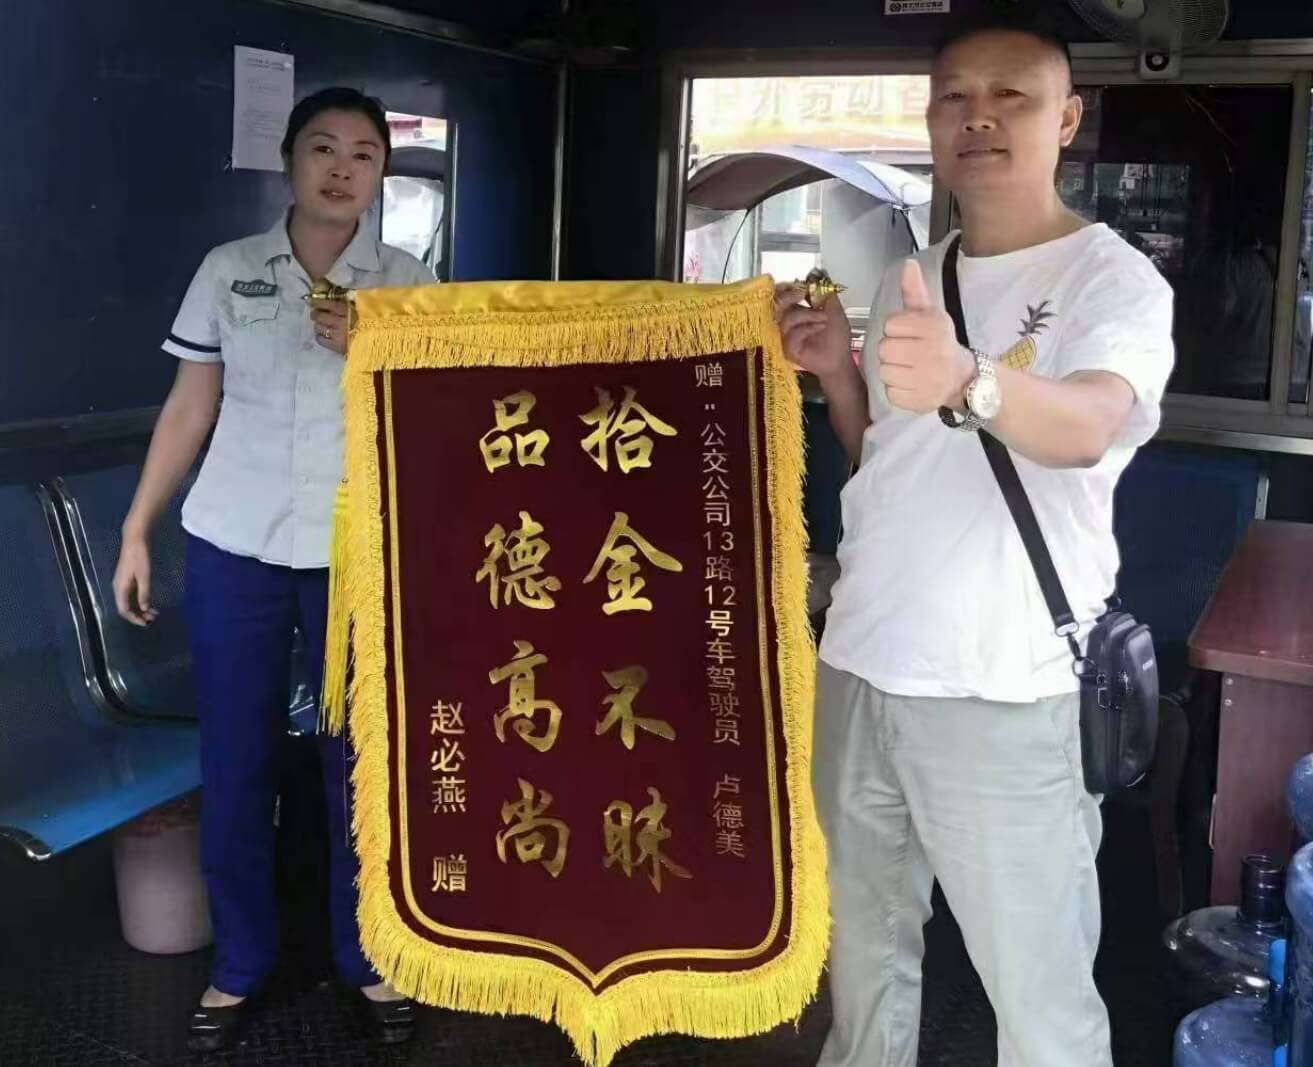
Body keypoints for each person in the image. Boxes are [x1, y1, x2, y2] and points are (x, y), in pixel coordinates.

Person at [777, 18, 1174, 1067]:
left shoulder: (1112, 281)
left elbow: (1088, 424)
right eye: (954, 96)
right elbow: (885, 466)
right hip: (859, 668)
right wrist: (838, 375)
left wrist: (968, 378)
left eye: (1011, 96)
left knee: (1037, 1002)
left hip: (1004, 687)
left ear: (1066, 119)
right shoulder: (913, 274)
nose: (978, 117)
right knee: (862, 972)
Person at [112, 87, 435, 1051]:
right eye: (322, 148)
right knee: (237, 760)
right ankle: (240, 964)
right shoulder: (229, 270)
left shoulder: (408, 281)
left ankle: (365, 956)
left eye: (364, 153)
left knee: (357, 763)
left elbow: (439, 415)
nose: (342, 168)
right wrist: (137, 528)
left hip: (355, 556)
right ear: (289, 160)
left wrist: (377, 346)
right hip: (234, 545)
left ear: (381, 173)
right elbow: (190, 406)